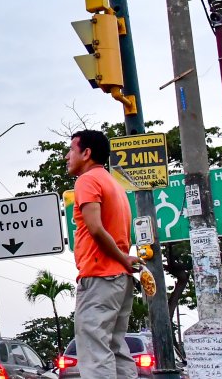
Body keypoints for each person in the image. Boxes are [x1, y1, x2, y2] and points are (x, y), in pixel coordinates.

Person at [68, 129, 143, 379]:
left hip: (100, 275)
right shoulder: (114, 184)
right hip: (120, 279)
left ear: (86, 153)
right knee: (115, 347)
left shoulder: (87, 181)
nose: (67, 156)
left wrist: (122, 258)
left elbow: (96, 229)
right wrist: (124, 261)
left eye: (71, 150)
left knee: (94, 350)